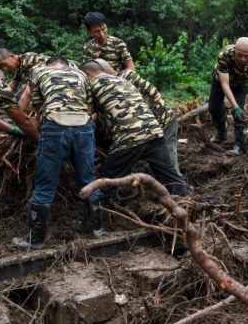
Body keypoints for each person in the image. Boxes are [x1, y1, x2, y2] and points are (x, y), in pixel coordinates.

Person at [79, 60, 190, 236]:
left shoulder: (91, 84)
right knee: (170, 177)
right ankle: (189, 214)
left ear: (88, 74)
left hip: (129, 138)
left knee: (106, 182)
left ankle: (94, 227)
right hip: (154, 132)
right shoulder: (123, 81)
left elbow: (85, 115)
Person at [12, 57, 94, 250]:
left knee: (44, 185)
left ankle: (37, 239)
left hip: (55, 127)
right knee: (88, 179)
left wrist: (42, 129)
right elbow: (89, 106)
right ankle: (96, 228)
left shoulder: (39, 72)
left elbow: (37, 107)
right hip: (84, 126)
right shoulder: (81, 74)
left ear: (48, 66)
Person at [94, 59, 184, 180]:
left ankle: (182, 191)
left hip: (163, 123)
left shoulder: (124, 79)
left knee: (169, 166)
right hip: (149, 125)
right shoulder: (119, 79)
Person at [0, 49, 78, 110]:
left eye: (4, 64)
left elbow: (25, 90)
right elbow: (13, 85)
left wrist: (18, 116)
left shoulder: (27, 60)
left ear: (11, 57)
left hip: (72, 72)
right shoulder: (20, 67)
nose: (5, 69)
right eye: (1, 67)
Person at [0, 68, 39, 140]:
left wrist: (13, 130)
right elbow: (22, 121)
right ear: (1, 79)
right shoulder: (0, 84)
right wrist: (39, 139)